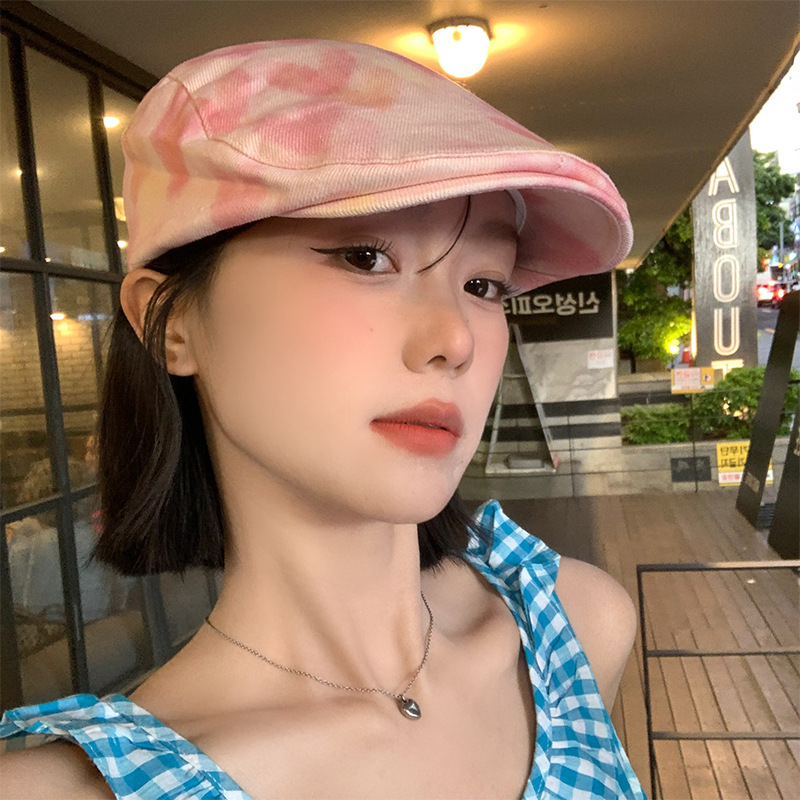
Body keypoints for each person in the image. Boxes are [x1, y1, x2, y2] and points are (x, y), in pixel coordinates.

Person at [0, 40, 646, 799]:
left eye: (484, 284)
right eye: (365, 258)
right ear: (170, 325)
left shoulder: (576, 631)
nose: (455, 339)